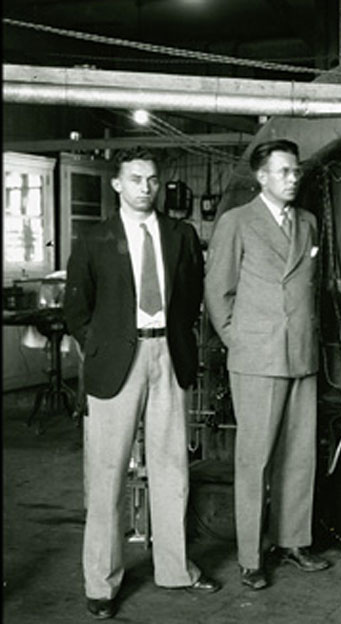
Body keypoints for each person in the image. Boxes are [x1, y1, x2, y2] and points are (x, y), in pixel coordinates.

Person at [64, 147, 220, 620]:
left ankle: (175, 569)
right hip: (115, 361)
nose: (145, 188)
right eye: (135, 179)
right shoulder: (93, 239)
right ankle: (101, 582)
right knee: (106, 474)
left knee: (172, 468)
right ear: (117, 185)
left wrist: (171, 343)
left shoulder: (181, 235)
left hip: (167, 355)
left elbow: (191, 297)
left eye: (152, 180)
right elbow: (77, 308)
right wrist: (103, 345)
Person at [204, 139, 328, 590]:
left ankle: (294, 540)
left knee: (299, 455)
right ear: (262, 177)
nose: (293, 178)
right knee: (254, 460)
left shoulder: (309, 223)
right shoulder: (237, 222)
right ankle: (251, 556)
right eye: (283, 172)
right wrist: (240, 341)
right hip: (256, 356)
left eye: (296, 172)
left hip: (300, 353)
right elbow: (218, 292)